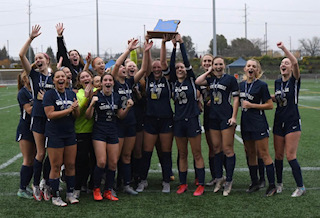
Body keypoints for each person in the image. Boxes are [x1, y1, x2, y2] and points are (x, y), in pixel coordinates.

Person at [111, 38, 151, 195]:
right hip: (118, 123)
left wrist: (146, 51)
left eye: (123, 67)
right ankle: (112, 186)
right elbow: (115, 65)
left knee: (127, 155)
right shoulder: (114, 82)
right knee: (115, 158)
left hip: (131, 123)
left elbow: (144, 69)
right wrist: (128, 50)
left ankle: (126, 185)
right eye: (121, 67)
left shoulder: (129, 82)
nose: (121, 68)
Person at [85, 73, 134, 201]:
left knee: (112, 163)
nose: (108, 82)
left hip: (113, 131)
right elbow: (87, 116)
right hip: (99, 132)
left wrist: (128, 108)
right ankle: (96, 189)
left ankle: (108, 190)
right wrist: (91, 105)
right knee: (101, 161)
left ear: (113, 83)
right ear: (101, 83)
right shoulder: (96, 96)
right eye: (105, 80)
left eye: (110, 80)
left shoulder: (116, 97)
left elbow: (120, 115)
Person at [19, 24, 54, 201]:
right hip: (39, 118)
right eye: (37, 57)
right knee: (40, 153)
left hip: (53, 119)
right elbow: (21, 55)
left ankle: (46, 182)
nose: (38, 59)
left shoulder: (54, 77)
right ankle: (35, 184)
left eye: (42, 57)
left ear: (47, 60)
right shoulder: (34, 75)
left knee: (52, 153)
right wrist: (31, 38)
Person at [196, 56, 239, 196]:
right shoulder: (210, 79)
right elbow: (198, 81)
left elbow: (236, 98)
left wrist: (233, 116)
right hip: (213, 117)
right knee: (216, 149)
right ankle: (219, 178)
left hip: (225, 117)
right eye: (216, 64)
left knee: (227, 149)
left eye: (220, 64)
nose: (218, 66)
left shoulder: (230, 79)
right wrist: (209, 71)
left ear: (224, 65)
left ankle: (229, 180)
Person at [168, 34, 205, 196]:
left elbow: (187, 62)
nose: (180, 69)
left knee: (197, 153)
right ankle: (183, 184)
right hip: (179, 121)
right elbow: (170, 65)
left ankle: (201, 184)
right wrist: (173, 47)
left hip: (192, 120)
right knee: (182, 154)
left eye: (182, 67)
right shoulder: (173, 83)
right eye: (177, 68)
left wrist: (181, 44)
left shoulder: (191, 80)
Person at [136, 35, 174, 193]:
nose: (157, 69)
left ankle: (166, 181)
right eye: (155, 67)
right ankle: (143, 180)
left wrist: (164, 44)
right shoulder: (149, 77)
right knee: (147, 152)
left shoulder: (167, 79)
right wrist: (147, 51)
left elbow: (164, 62)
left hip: (166, 120)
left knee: (165, 152)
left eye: (159, 68)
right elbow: (146, 67)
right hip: (150, 120)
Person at [272, 42, 306, 197]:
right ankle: (279, 184)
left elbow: (295, 62)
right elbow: (277, 99)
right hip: (279, 121)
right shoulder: (277, 82)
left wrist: (283, 49)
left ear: (291, 68)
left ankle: (301, 187)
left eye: (286, 63)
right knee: (278, 156)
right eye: (281, 63)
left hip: (292, 121)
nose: (283, 65)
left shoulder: (294, 80)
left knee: (290, 155)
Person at [239, 59, 276, 197]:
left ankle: (272, 185)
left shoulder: (262, 85)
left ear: (257, 71)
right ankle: (254, 182)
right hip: (245, 124)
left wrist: (252, 106)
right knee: (250, 154)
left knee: (264, 154)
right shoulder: (241, 85)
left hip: (258, 123)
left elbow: (270, 105)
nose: (251, 68)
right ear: (245, 69)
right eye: (249, 66)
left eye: (254, 66)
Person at [43, 70, 80, 206]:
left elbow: (76, 115)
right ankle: (55, 197)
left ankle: (70, 194)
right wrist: (69, 110)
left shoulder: (71, 93)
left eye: (63, 76)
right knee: (56, 166)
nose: (60, 78)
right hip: (55, 134)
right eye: (57, 76)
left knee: (70, 165)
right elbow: (50, 114)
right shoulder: (49, 94)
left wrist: (75, 109)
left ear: (66, 79)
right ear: (53, 80)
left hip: (69, 133)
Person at [73, 70, 97, 198]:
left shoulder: (99, 89)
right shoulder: (79, 93)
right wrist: (87, 97)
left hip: (97, 132)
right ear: (79, 81)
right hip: (81, 131)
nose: (85, 78)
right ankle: (78, 186)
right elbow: (79, 111)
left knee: (95, 160)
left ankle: (92, 185)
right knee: (81, 161)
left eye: (87, 76)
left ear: (92, 78)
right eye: (82, 77)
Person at [16, 72, 36, 199]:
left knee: (34, 159)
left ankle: (28, 185)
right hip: (25, 129)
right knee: (28, 159)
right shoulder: (23, 92)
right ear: (24, 79)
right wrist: (40, 102)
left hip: (35, 128)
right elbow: (29, 110)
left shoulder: (34, 90)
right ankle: (22, 188)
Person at [198, 54, 217, 186]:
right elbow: (197, 89)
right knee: (212, 147)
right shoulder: (202, 79)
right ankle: (215, 176)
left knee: (221, 147)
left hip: (221, 115)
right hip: (208, 115)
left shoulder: (219, 77)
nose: (207, 63)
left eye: (209, 61)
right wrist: (199, 101)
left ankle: (225, 175)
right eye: (205, 61)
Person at [56, 23, 84, 88]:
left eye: (76, 54)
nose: (74, 56)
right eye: (72, 55)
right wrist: (60, 37)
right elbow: (62, 51)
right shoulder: (68, 67)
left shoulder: (83, 67)